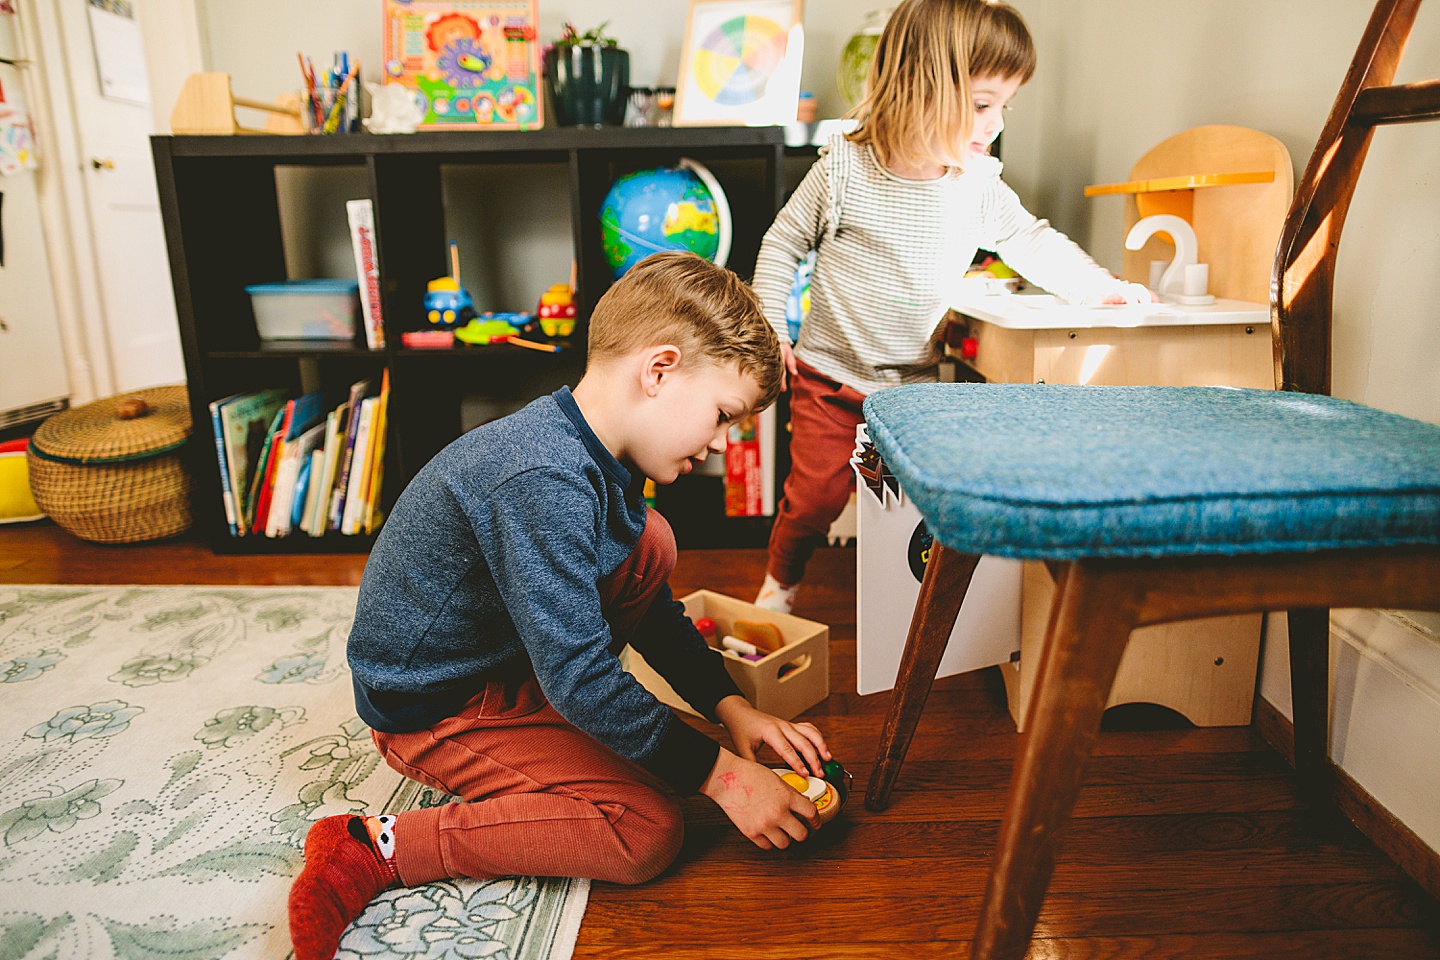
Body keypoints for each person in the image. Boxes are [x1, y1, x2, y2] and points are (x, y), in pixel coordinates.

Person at [288, 252, 833, 960]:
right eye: (723, 417)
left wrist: (731, 710)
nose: (721, 445)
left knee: (650, 546)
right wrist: (726, 776)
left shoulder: (593, 450)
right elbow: (579, 676)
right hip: (436, 707)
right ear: (659, 370)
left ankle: (585, 735)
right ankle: (376, 847)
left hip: (512, 665)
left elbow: (651, 612)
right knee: (645, 831)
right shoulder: (542, 474)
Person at [751, 0, 1149, 613]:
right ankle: (780, 584)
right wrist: (773, 325)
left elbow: (1030, 240)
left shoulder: (978, 184)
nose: (993, 124)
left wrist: (1096, 286)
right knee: (814, 500)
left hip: (914, 388)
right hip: (830, 378)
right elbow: (782, 244)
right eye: (982, 104)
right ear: (921, 85)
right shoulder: (845, 169)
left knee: (920, 509)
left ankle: (917, 607)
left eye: (1003, 108)